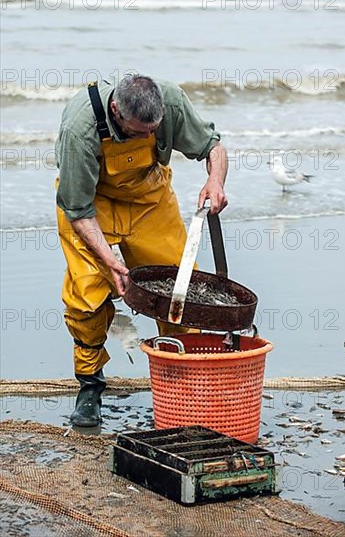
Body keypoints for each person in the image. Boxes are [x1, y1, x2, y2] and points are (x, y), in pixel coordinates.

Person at [55, 74, 228, 427]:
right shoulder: (79, 130)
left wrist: (215, 180)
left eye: (154, 130)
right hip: (91, 206)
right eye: (138, 133)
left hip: (149, 197)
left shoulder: (172, 100)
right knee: (86, 298)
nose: (148, 137)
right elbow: (78, 210)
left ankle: (185, 382)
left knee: (180, 290)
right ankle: (90, 386)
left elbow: (213, 147)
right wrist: (111, 262)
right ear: (115, 111)